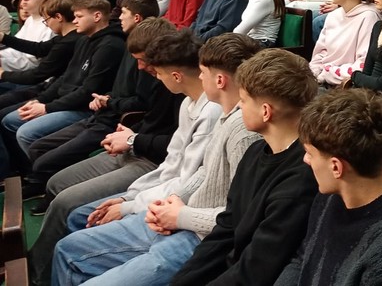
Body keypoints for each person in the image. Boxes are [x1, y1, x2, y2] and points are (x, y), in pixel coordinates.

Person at [51, 34, 262, 285]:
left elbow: (240, 216)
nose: (199, 77)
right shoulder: (225, 115)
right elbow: (201, 174)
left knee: (74, 251)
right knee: (69, 245)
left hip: (199, 236)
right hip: (183, 216)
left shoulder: (241, 128)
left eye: (203, 72)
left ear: (219, 80)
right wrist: (162, 205)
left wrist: (174, 214)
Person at [26, 19, 182, 286]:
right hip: (134, 148)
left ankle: (38, 275)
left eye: (143, 60)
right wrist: (129, 133)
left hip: (150, 162)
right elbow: (153, 120)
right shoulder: (164, 82)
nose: (140, 67)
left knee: (66, 204)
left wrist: (133, 138)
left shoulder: (181, 90)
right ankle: (41, 263)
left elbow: (173, 148)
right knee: (56, 183)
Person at [173, 49, 319, 285]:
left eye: (243, 100)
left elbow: (258, 268)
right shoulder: (254, 152)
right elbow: (226, 228)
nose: (239, 107)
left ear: (265, 112)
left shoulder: (301, 179)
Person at [273, 89, 382, 286]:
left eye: (310, 153)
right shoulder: (332, 196)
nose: (306, 160)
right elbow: (302, 261)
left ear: (336, 167)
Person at [25, 0, 160, 204]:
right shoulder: (124, 46)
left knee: (41, 154)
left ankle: (51, 194)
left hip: (113, 121)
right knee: (38, 147)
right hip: (100, 113)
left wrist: (109, 101)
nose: (119, 17)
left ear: (137, 18)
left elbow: (141, 102)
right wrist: (106, 97)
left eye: (124, 13)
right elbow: (119, 88)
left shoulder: (131, 51)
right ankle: (44, 188)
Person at [0, 0, 126, 178]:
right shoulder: (84, 40)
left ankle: (36, 177)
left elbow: (87, 91)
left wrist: (47, 107)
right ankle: (29, 173)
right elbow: (65, 77)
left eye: (79, 17)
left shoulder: (111, 46)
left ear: (97, 16)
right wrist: (41, 101)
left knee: (24, 132)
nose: (74, 21)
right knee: (11, 120)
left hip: (84, 109)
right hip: (63, 100)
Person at [308, 0, 379, 87]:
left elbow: (363, 63)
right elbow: (321, 52)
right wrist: (313, 74)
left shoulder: (369, 17)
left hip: (344, 85)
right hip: (322, 78)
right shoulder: (333, 15)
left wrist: (328, 74)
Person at [0, 0, 80, 93]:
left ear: (58, 17)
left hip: (51, 89)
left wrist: (2, 74)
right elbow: (39, 48)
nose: (46, 24)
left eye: (46, 19)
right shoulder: (63, 38)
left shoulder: (67, 43)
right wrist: (3, 37)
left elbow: (37, 75)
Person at [0, 0, 55, 72]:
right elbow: (16, 49)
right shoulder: (30, 20)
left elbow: (35, 63)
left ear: (46, 0)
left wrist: (3, 62)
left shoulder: (50, 25)